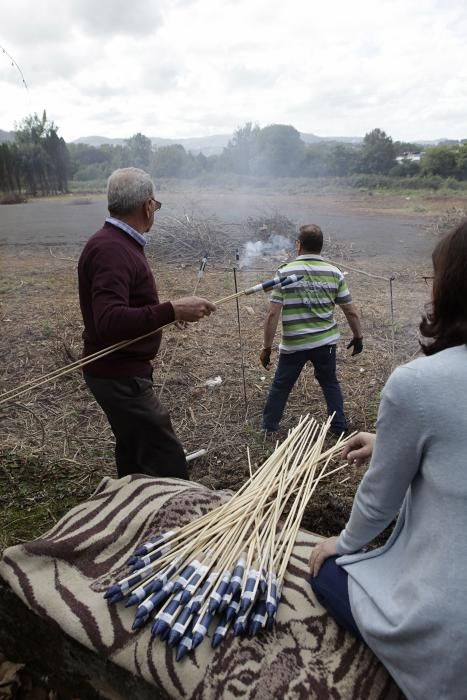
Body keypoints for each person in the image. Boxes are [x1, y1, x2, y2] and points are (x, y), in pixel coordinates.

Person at [309, 221, 467, 700]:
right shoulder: (332, 273)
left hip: (450, 627)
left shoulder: (418, 383)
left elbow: (380, 498)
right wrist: (392, 440)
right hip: (327, 348)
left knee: (324, 573)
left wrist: (343, 542)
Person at [78, 167, 216, 480]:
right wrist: (170, 311)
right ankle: (173, 522)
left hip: (117, 372)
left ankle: (131, 504)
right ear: (148, 206)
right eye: (156, 205)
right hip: (119, 376)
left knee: (133, 449)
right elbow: (109, 320)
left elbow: (124, 306)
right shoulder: (112, 249)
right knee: (167, 460)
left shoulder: (115, 242)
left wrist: (166, 312)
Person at [260, 224, 363, 436]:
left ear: (299, 245)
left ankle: (269, 427)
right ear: (321, 247)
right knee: (330, 383)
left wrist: (267, 348)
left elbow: (272, 314)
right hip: (325, 343)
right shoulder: (334, 273)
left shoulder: (285, 272)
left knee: (281, 384)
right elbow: (350, 310)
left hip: (294, 344)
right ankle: (339, 427)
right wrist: (358, 335)